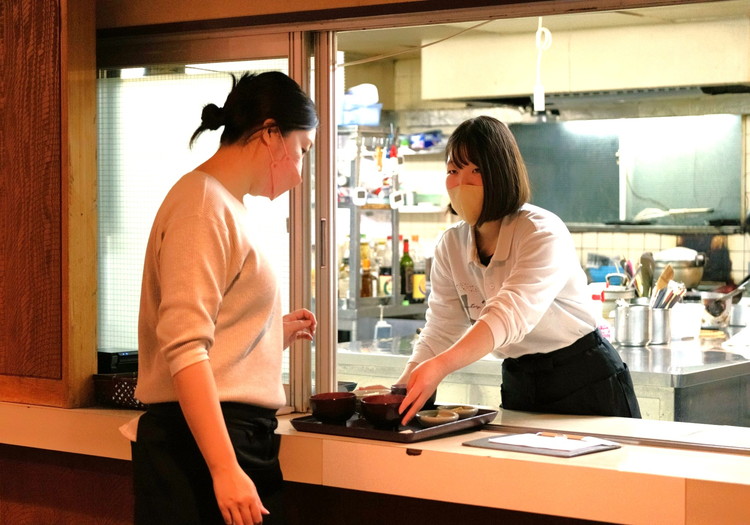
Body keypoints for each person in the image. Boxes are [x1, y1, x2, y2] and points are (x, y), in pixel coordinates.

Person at [129, 71, 318, 525]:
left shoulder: (227, 203)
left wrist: (268, 333)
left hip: (232, 436)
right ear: (270, 134)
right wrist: (224, 468)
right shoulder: (202, 205)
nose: (300, 169)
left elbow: (213, 332)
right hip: (203, 444)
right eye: (303, 150)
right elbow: (184, 345)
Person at [396, 115, 641, 425]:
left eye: (477, 171)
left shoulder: (540, 232)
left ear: (501, 174)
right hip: (520, 381)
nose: (461, 183)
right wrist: (405, 384)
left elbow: (508, 315)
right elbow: (441, 328)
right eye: (453, 171)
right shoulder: (450, 245)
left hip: (585, 379)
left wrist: (440, 367)